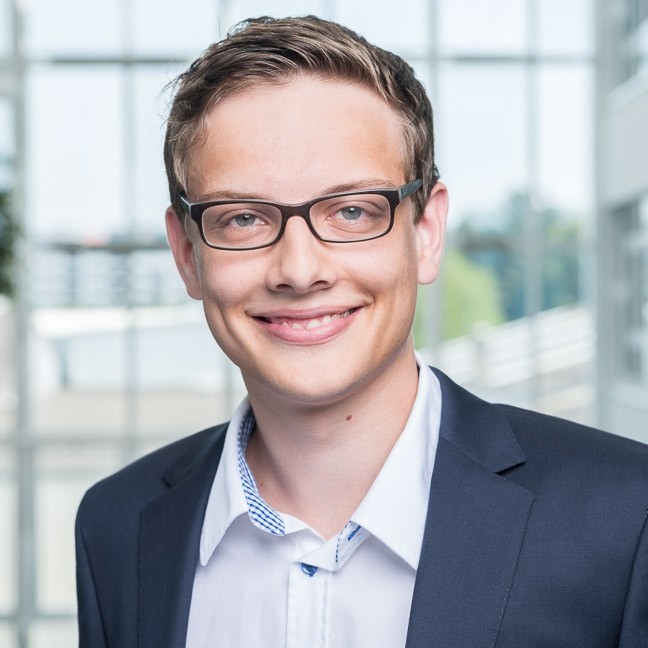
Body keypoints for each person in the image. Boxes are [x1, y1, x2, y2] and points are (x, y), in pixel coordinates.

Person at [75, 15, 648, 648]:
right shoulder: (116, 528)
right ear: (187, 254)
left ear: (426, 233)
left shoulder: (626, 517)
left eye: (351, 211)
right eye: (242, 218)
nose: (298, 269)